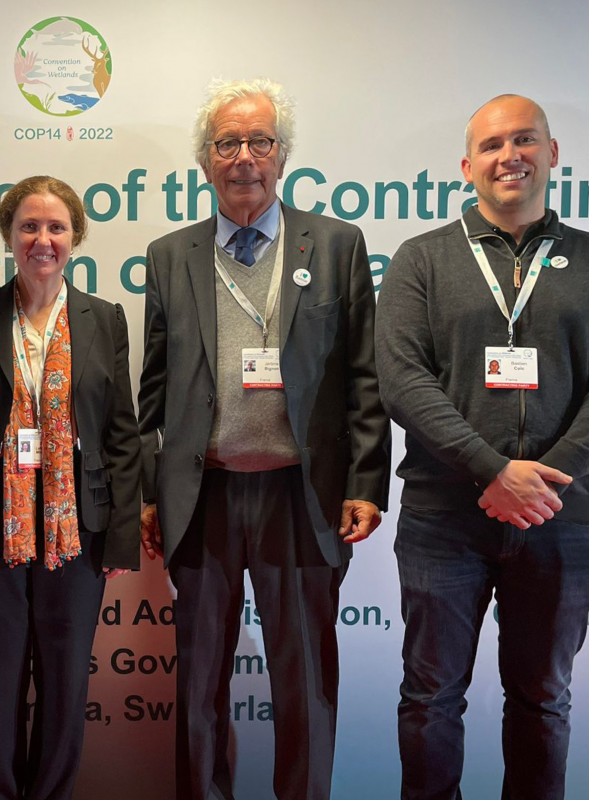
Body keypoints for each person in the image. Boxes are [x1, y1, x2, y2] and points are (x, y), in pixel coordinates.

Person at [375, 94, 589, 799]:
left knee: (543, 698)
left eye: (524, 140)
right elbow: (403, 380)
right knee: (430, 696)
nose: (510, 156)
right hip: (446, 519)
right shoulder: (422, 260)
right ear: (468, 166)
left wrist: (543, 479)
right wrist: (492, 469)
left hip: (560, 518)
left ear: (552, 154)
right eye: (492, 146)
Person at [137, 78, 390, 800]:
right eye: (227, 143)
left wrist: (366, 483)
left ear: (282, 155)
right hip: (203, 493)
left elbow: (362, 373)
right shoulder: (169, 255)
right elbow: (152, 389)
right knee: (199, 687)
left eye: (259, 141)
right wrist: (150, 496)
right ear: (205, 159)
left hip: (299, 494)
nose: (243, 156)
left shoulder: (337, 244)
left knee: (305, 681)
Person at [0, 176, 140, 800]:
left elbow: (122, 434)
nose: (42, 240)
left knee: (64, 687)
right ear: (7, 236)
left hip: (77, 533)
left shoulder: (104, 319)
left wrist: (121, 540)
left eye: (56, 227)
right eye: (29, 227)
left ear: (75, 236)